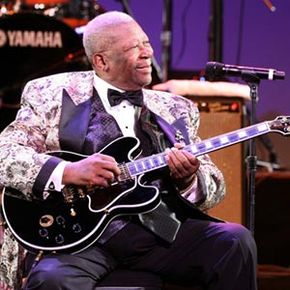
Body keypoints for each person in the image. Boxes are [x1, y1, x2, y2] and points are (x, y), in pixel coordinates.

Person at [0, 11, 257, 290]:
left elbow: (214, 185)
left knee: (235, 242)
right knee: (51, 279)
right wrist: (68, 171)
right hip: (81, 239)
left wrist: (188, 180)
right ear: (101, 60)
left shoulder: (174, 108)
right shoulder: (50, 94)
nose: (147, 53)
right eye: (135, 46)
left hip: (158, 230)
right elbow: (5, 152)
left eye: (146, 43)